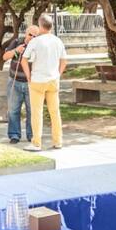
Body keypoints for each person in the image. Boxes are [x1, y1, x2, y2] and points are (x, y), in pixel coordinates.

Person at [23, 14, 67, 151]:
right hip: (53, 80)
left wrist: (28, 76)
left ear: (40, 26)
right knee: (55, 112)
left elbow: (24, 59)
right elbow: (64, 61)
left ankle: (36, 143)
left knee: (37, 112)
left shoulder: (35, 42)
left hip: (37, 80)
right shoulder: (58, 41)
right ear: (51, 26)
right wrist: (58, 74)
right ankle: (58, 141)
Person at [2, 24, 38, 144]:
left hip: (30, 83)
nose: (32, 37)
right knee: (13, 110)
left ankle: (31, 135)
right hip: (15, 81)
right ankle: (14, 135)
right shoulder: (17, 42)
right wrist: (16, 50)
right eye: (30, 35)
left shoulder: (38, 46)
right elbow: (5, 57)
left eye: (35, 36)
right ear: (26, 33)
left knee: (31, 110)